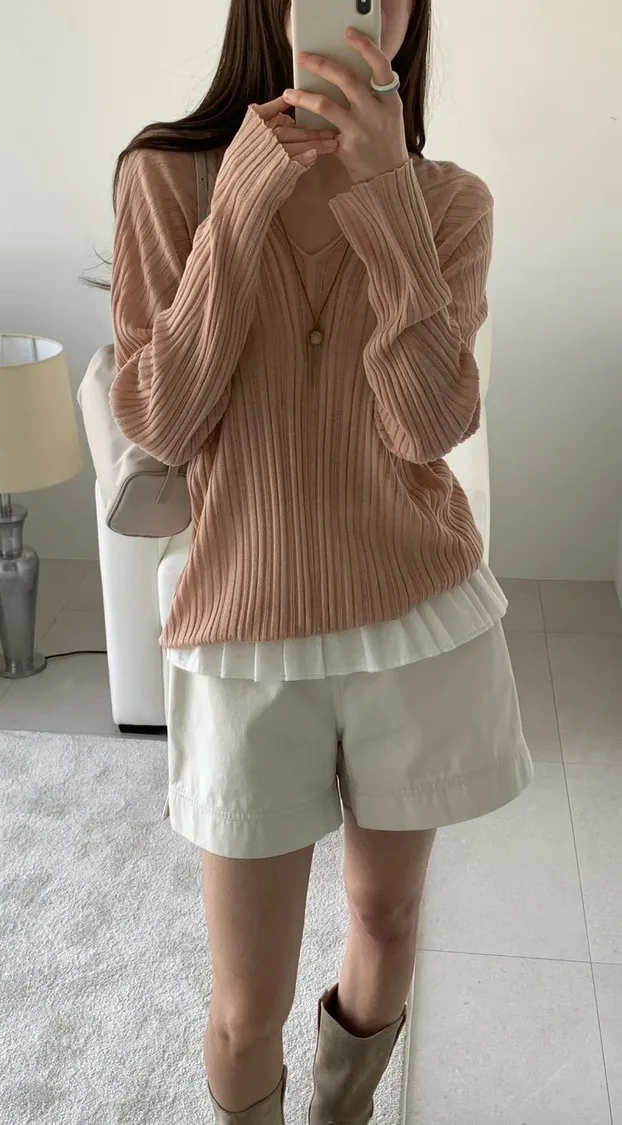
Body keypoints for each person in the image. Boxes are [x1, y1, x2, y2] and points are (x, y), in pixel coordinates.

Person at [109, 1, 533, 1121]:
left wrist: (387, 197)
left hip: (414, 616)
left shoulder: (451, 203)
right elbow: (162, 416)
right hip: (242, 630)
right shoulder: (166, 179)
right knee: (246, 1002)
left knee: (386, 920)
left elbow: (429, 424)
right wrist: (245, 198)